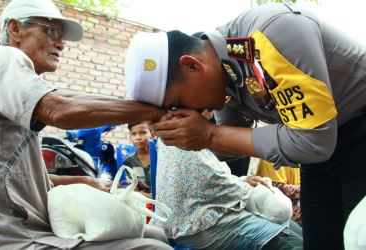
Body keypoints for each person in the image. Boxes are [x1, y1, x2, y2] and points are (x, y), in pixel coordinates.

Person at [124, 3, 366, 249]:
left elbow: (313, 142)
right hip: (321, 155)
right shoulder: (222, 69)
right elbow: (233, 146)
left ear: (192, 65)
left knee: (359, 239)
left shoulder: (272, 34)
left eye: (177, 103)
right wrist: (193, 136)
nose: (183, 111)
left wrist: (209, 134)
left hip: (358, 128)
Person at [0, 0, 172, 249]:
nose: (61, 44)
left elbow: (18, 177)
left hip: (20, 228)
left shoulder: (5, 87)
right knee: (154, 247)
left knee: (154, 234)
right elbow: (60, 108)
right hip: (3, 236)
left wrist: (86, 182)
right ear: (15, 29)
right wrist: (154, 111)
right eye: (51, 31)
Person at [151, 139, 302, 250]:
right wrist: (247, 187)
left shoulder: (187, 136)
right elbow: (210, 179)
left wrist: (244, 181)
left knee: (295, 229)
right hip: (195, 224)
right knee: (292, 243)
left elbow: (213, 179)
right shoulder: (182, 137)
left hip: (202, 212)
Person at [123, 122, 155, 198]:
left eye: (143, 133)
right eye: (133, 134)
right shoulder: (129, 161)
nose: (138, 137)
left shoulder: (160, 157)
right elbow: (135, 190)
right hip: (143, 202)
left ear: (153, 135)